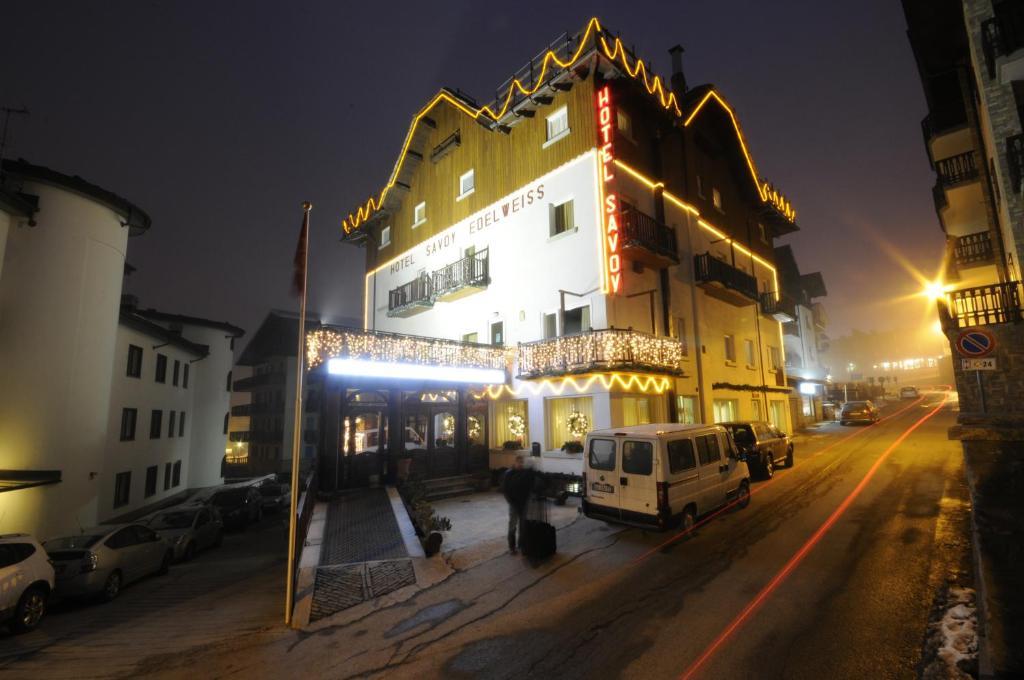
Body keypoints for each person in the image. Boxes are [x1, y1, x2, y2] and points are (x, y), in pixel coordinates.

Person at [501, 455, 534, 554]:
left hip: (524, 504)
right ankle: (512, 546)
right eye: (519, 462)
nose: (521, 464)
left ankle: (521, 544)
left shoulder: (525, 473)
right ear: (515, 463)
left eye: (522, 463)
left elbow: (530, 486)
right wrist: (511, 502)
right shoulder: (509, 474)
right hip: (514, 504)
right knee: (512, 525)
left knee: (523, 525)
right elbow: (505, 490)